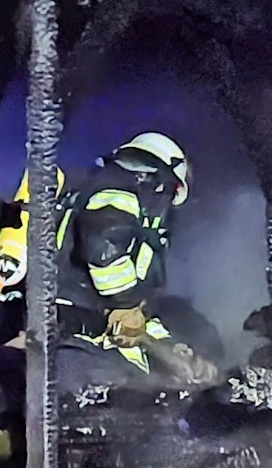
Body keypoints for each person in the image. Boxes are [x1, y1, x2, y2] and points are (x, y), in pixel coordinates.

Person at [53, 132, 216, 386]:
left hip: (89, 337)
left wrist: (174, 351)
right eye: (171, 192)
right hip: (71, 340)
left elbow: (135, 316)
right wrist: (128, 305)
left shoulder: (122, 200)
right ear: (159, 179)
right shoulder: (118, 188)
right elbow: (103, 246)